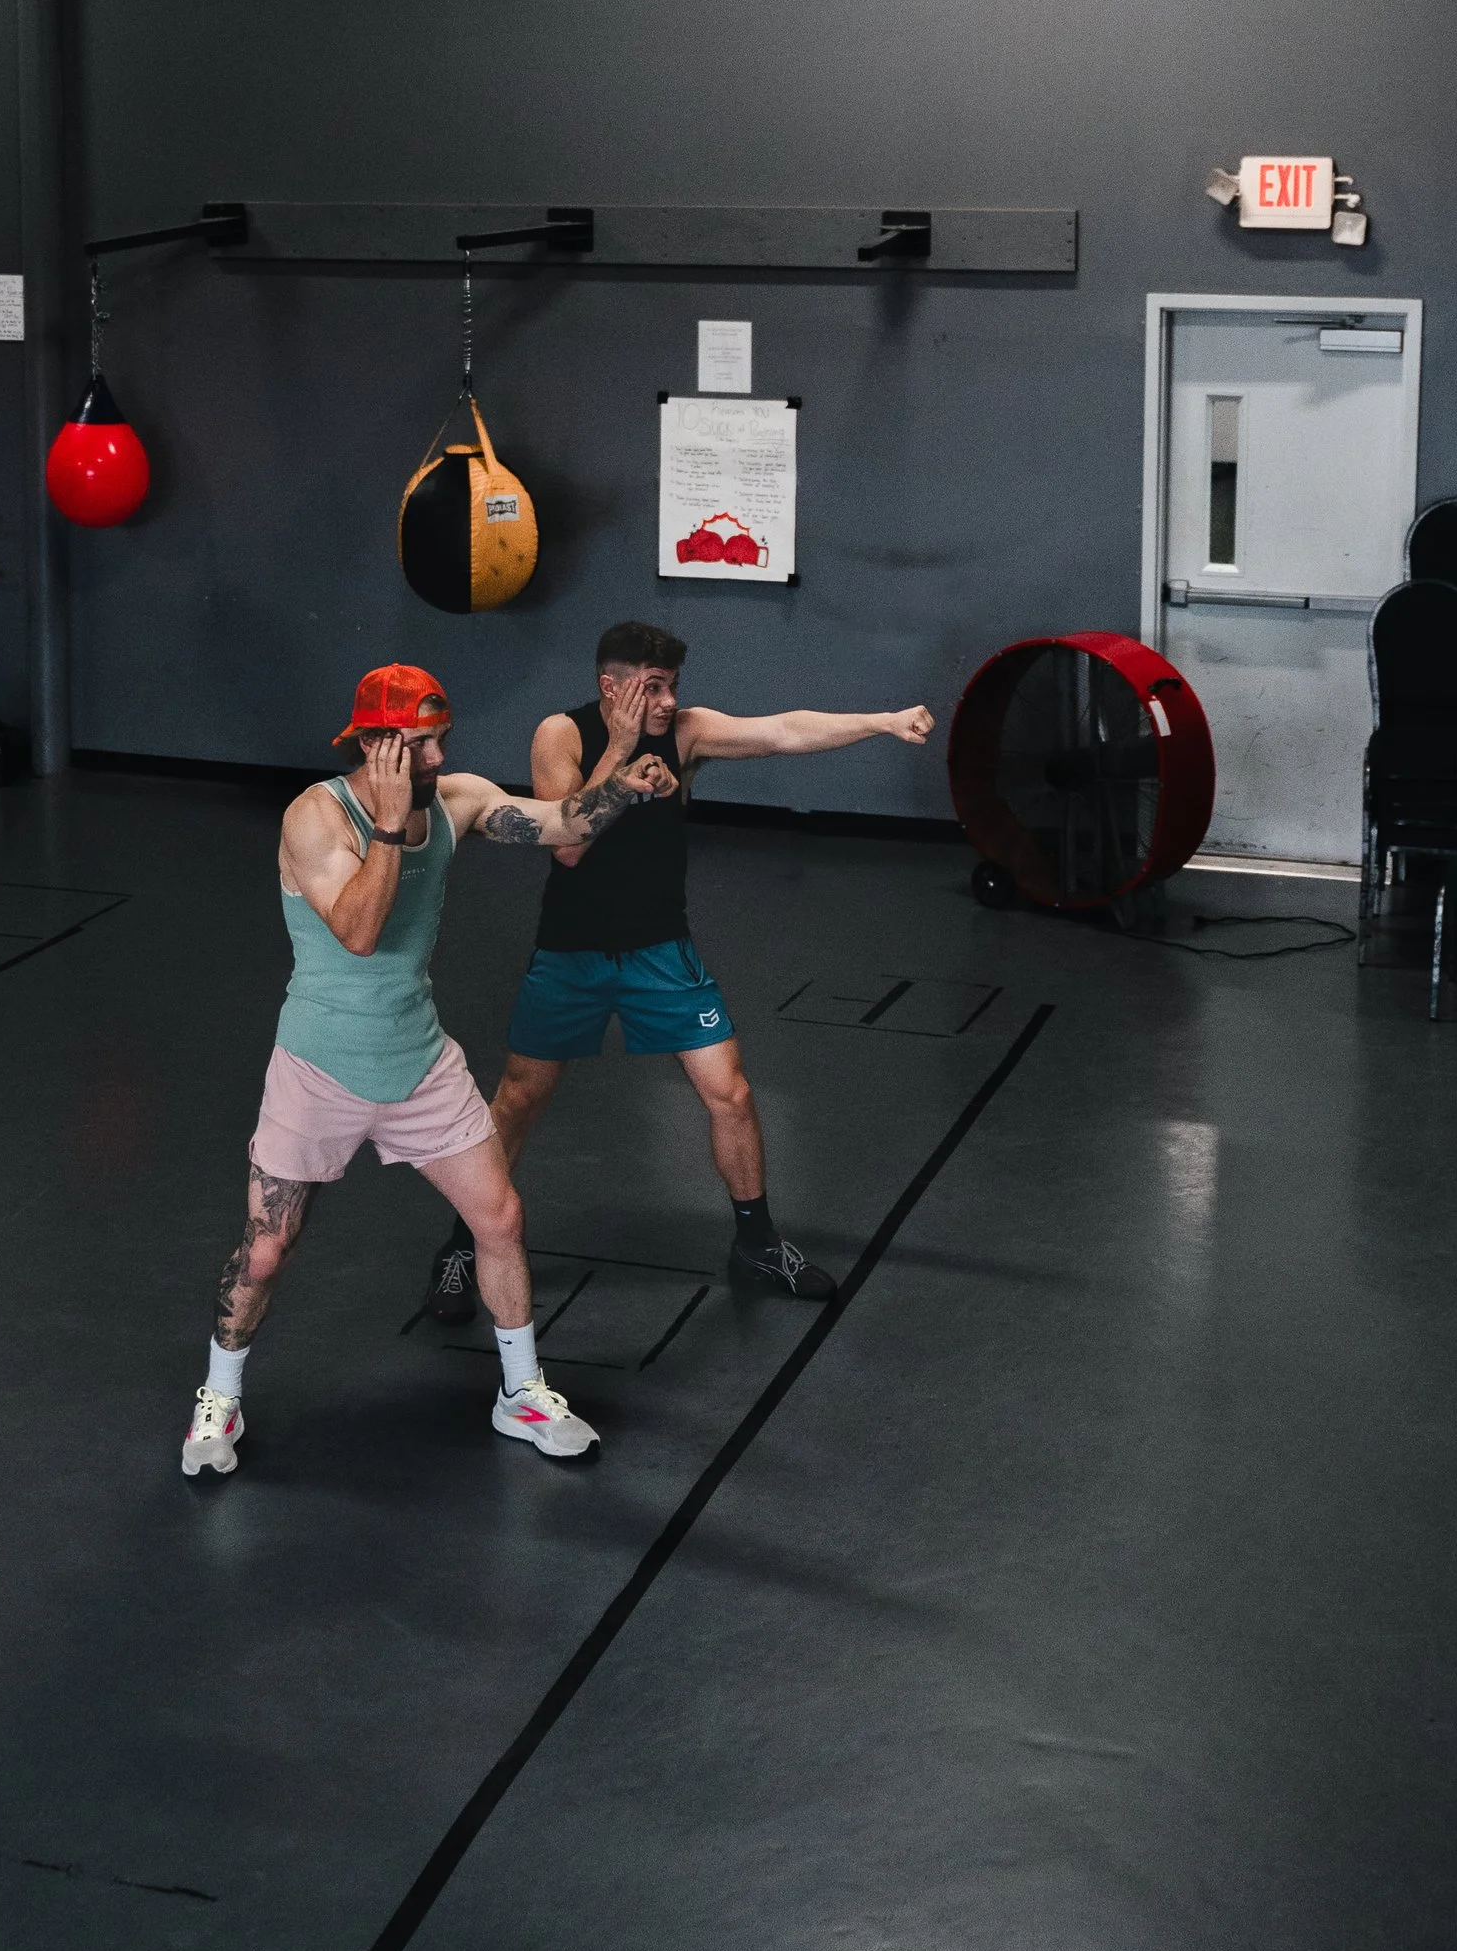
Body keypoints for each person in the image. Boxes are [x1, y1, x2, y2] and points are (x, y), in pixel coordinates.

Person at [181, 661, 673, 1480]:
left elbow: (565, 826)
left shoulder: (456, 800)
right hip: (318, 1067)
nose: (439, 758)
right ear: (374, 745)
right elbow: (359, 933)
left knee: (500, 1218)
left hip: (419, 1061)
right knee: (265, 1252)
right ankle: (220, 1396)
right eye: (420, 745)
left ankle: (520, 1391)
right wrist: (385, 823)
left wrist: (622, 767)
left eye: (442, 739)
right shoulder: (315, 817)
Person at [427, 622, 935, 1317]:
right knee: (517, 1100)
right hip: (571, 953)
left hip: (660, 951)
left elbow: (783, 731)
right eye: (653, 687)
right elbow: (568, 846)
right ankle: (464, 1244)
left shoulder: (688, 734)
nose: (668, 701)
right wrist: (621, 757)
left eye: (672, 686)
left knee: (731, 1093)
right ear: (612, 688)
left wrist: (882, 721)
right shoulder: (561, 735)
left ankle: (756, 1243)